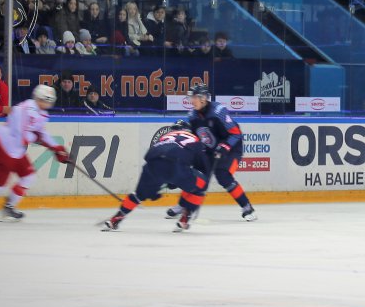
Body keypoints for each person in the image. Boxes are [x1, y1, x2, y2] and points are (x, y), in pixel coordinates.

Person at [0, 84, 68, 221]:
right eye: (46, 100)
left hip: (11, 148)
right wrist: (39, 140)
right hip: (8, 148)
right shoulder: (25, 109)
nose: (48, 104)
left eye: (50, 101)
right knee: (19, 179)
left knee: (6, 183)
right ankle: (4, 207)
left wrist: (57, 148)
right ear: (38, 98)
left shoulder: (40, 112)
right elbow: (23, 136)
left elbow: (40, 133)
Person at [163, 85, 257, 222]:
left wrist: (224, 146)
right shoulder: (193, 115)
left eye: (194, 97)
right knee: (196, 176)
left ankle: (247, 207)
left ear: (203, 98)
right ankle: (182, 205)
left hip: (232, 148)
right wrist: (184, 129)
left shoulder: (218, 112)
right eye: (191, 97)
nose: (192, 101)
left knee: (223, 175)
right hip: (209, 149)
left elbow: (236, 134)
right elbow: (195, 137)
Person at [101, 123, 210, 233]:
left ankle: (115, 219)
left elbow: (152, 155)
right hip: (175, 165)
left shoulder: (164, 137)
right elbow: (202, 167)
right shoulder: (194, 139)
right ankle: (185, 218)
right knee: (201, 185)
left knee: (139, 195)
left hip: (152, 164)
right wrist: (181, 181)